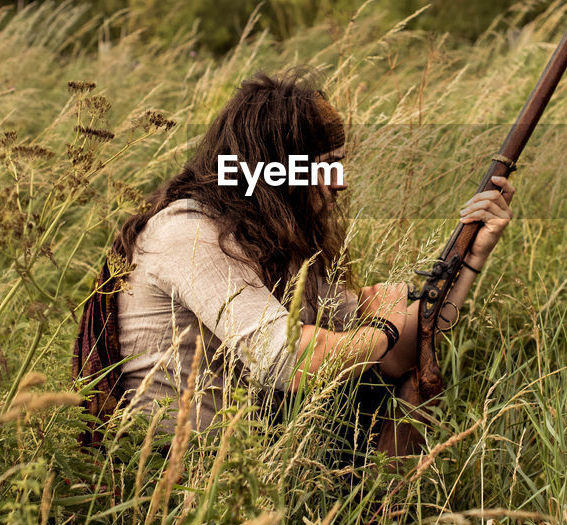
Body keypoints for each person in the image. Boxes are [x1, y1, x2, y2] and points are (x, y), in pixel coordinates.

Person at [72, 71, 514, 452]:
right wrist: (381, 328)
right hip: (177, 484)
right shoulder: (189, 234)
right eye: (326, 167)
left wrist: (470, 257)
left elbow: (401, 355)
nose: (340, 183)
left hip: (245, 469)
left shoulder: (266, 240)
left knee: (408, 376)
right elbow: (289, 359)